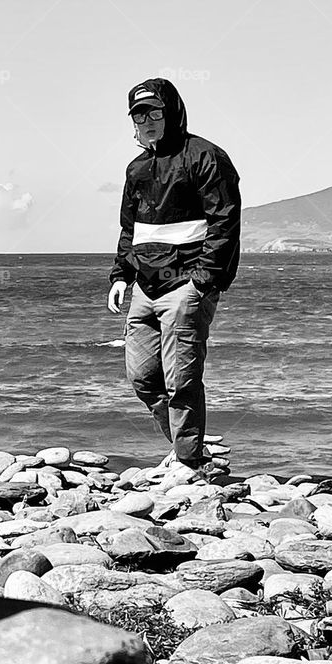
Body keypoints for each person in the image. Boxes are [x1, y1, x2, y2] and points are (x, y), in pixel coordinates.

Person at [107, 76, 241, 475]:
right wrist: (120, 276)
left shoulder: (205, 157)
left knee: (181, 379)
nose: (145, 121)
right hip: (144, 287)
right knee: (143, 377)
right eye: (137, 114)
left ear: (172, 112)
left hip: (186, 284)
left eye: (153, 111)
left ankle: (191, 460)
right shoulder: (137, 169)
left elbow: (224, 222)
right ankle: (188, 444)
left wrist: (202, 281)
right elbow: (130, 230)